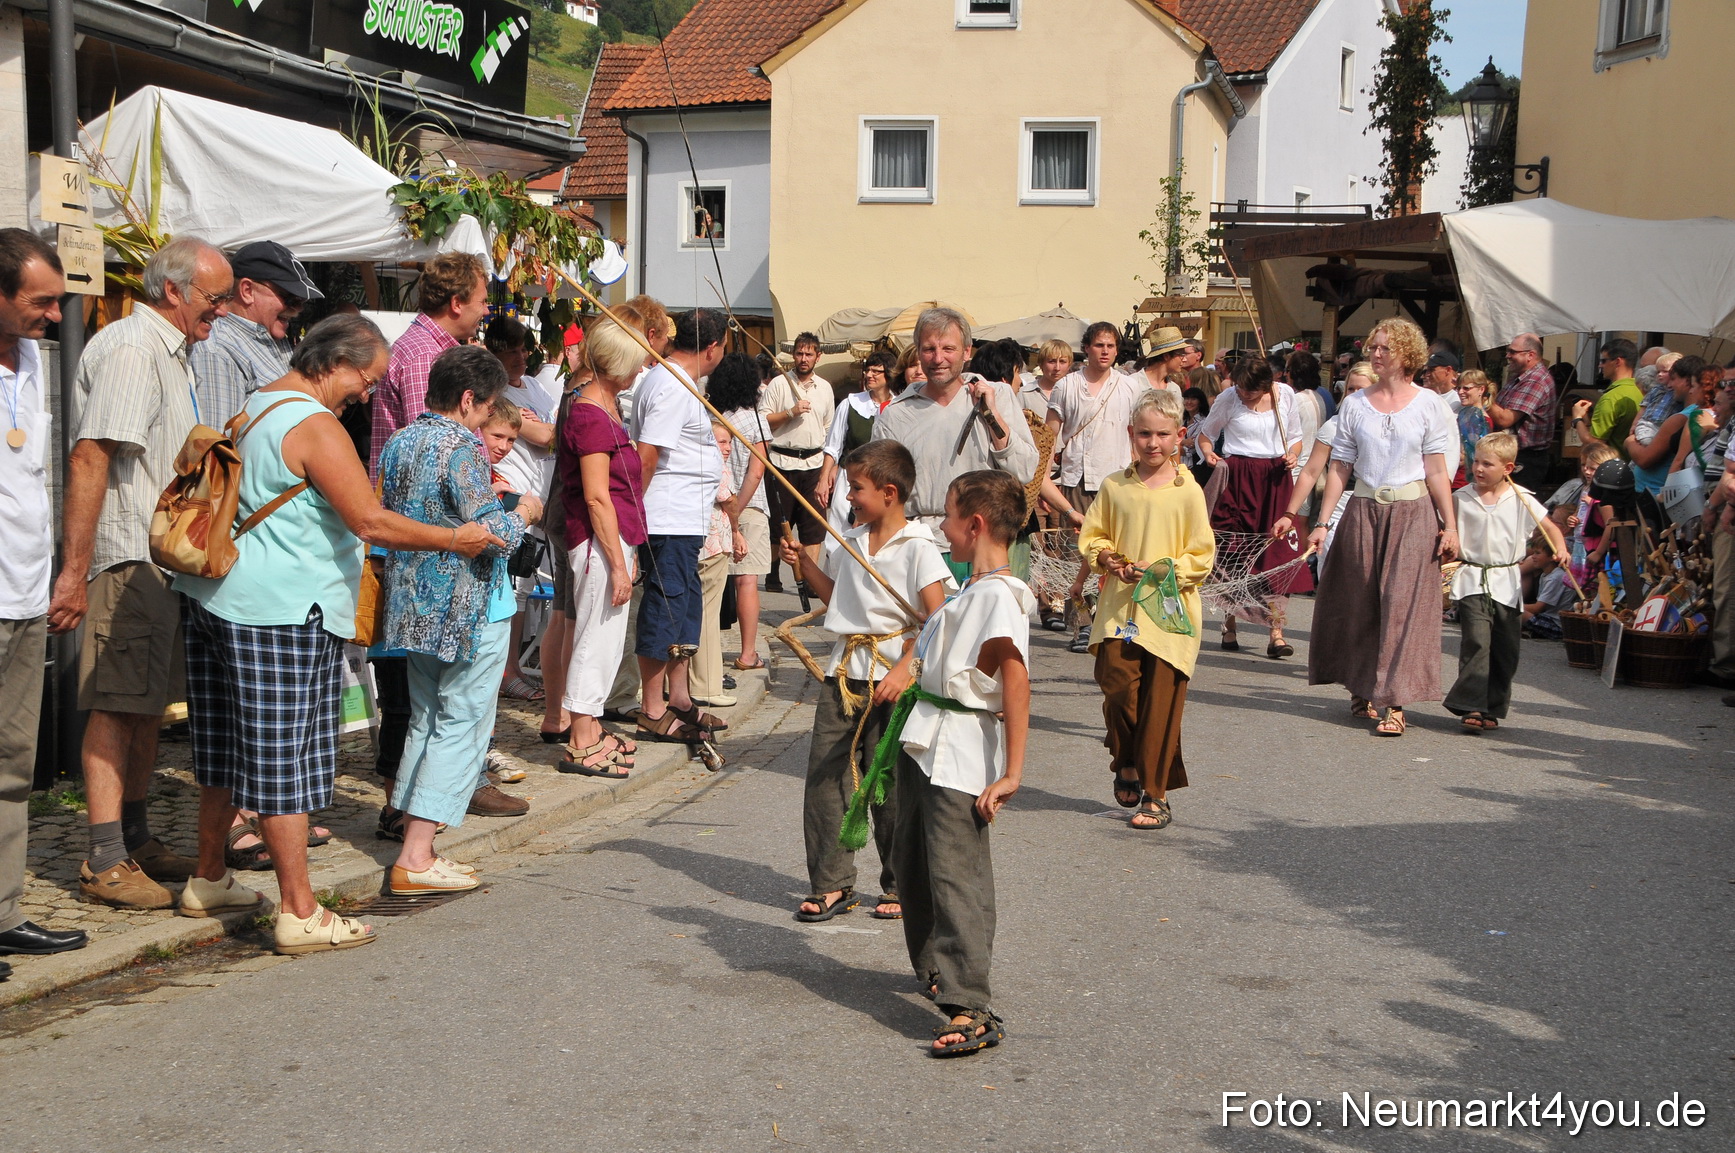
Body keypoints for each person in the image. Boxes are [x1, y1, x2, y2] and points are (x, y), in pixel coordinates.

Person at [180, 316, 500, 947]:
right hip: (279, 611)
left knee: (222, 752)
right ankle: (299, 910)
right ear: (336, 362)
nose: (368, 393)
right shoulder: (314, 424)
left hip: (217, 597)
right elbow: (370, 520)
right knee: (285, 763)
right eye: (367, 378)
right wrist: (454, 537)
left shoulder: (257, 405)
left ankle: (209, 877)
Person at [47, 237, 231, 909]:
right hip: (127, 554)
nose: (221, 311)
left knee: (147, 702)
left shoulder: (166, 351)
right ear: (173, 291)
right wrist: (74, 569)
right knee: (119, 702)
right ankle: (103, 856)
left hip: (156, 560)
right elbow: (91, 457)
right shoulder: (133, 347)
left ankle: (133, 836)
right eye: (214, 298)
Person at [378, 347, 537, 895]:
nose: (486, 417)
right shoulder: (461, 445)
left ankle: (411, 828)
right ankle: (416, 855)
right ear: (469, 400)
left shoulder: (400, 441)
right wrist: (523, 512)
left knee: (426, 718)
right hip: (464, 608)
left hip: (411, 604)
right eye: (487, 405)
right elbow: (494, 535)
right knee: (461, 723)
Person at [886, 470, 1031, 1058]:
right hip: (925, 740)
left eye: (947, 517)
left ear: (975, 525)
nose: (940, 528)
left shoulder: (999, 598)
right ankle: (938, 970)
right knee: (912, 860)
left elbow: (1015, 683)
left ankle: (972, 1003)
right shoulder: (970, 591)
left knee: (954, 874)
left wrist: (1013, 771)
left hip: (960, 752)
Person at [780, 440, 950, 924]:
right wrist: (806, 565)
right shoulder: (848, 540)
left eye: (857, 488)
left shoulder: (919, 547)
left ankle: (898, 881)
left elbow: (936, 619)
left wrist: (907, 666)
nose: (849, 496)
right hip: (845, 672)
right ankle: (831, 883)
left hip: (893, 676)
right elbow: (838, 600)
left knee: (887, 782)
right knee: (825, 777)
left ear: (890, 493)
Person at [1272, 317, 1458, 737]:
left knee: (1400, 605)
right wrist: (1320, 523)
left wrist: (1450, 526)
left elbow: (1436, 470)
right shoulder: (1355, 405)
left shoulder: (1429, 404)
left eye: (1384, 348)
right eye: (1373, 347)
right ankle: (1359, 682)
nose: (1375, 354)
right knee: (1358, 600)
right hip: (1364, 508)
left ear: (1406, 354)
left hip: (1413, 513)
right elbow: (1340, 468)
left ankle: (1394, 701)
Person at [0, 229, 87, 961]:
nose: (54, 316)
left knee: (12, 763)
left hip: (24, 590)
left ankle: (2, 912)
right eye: (40, 301)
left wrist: (63, 570)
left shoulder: (26, 356)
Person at [1078, 389, 1214, 831]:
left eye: (1161, 435)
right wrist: (1105, 558)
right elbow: (1093, 535)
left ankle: (1155, 796)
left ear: (1179, 437)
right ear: (1130, 434)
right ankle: (1127, 758)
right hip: (1120, 608)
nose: (1152, 443)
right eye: (1143, 434)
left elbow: (1201, 555)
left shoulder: (1188, 490)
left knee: (1161, 705)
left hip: (1171, 613)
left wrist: (1164, 569)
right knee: (1114, 681)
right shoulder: (1115, 486)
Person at [870, 308, 1038, 578]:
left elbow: (1024, 470)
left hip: (985, 546)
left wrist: (991, 414)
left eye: (948, 348)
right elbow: (881, 494)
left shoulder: (998, 396)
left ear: (967, 351)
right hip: (922, 547)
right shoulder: (896, 415)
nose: (938, 359)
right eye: (929, 349)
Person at [633, 308, 728, 748]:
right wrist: (632, 515)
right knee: (665, 608)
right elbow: (647, 454)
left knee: (685, 608)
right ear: (712, 347)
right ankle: (652, 710)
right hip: (667, 517)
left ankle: (680, 698)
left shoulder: (681, 382)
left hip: (686, 518)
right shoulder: (670, 383)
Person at [558, 319, 647, 775]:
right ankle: (581, 734)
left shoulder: (605, 406)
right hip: (598, 541)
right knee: (596, 635)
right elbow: (596, 496)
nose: (640, 369)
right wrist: (616, 564)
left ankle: (588, 725)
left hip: (613, 538)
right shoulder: (591, 413)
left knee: (607, 637)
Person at [1443, 432, 1569, 733]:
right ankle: (1472, 704)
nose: (1479, 469)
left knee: (1505, 647)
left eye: (1488, 464)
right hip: (1473, 577)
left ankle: (1493, 705)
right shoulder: (1460, 499)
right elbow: (1446, 532)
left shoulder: (1522, 499)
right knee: (1476, 640)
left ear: (1508, 468)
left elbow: (1549, 527)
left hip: (1507, 582)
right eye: (1476, 462)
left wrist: (1560, 548)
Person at [1192, 359, 1311, 657]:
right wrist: (1209, 454)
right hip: (1238, 477)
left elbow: (1295, 439)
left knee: (1275, 554)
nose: (1243, 394)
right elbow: (1206, 435)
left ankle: (1276, 632)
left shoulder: (1285, 395)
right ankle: (1229, 623)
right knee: (1234, 553)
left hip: (1274, 479)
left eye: (1250, 390)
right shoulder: (1228, 398)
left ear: (1265, 384)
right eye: (1240, 387)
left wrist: (1292, 456)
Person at [1045, 322, 1152, 652]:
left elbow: (1137, 434)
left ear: (1117, 350)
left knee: (1111, 553)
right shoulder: (1068, 386)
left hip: (1116, 479)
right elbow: (1050, 437)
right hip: (1075, 478)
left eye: (1110, 346)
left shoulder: (1129, 387)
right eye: (1098, 345)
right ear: (1087, 348)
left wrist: (1144, 476)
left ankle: (1109, 621)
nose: (1105, 351)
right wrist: (1044, 481)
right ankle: (1080, 623)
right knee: (1075, 552)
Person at [484, 316, 559, 701]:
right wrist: (547, 430)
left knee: (529, 590)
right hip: (516, 498)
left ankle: (518, 666)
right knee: (513, 589)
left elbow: (552, 428)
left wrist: (550, 430)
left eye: (524, 349)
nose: (520, 357)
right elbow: (549, 435)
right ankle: (506, 670)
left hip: (543, 496)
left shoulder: (532, 386)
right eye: (511, 350)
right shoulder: (497, 393)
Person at [368, 252, 488, 474]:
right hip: (427, 506)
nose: (486, 310)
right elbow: (431, 452)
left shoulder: (431, 350)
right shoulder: (425, 355)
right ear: (457, 303)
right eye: (482, 302)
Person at [188, 241, 320, 429]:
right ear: (247, 290)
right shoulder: (218, 351)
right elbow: (218, 442)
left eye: (302, 302)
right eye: (290, 299)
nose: (297, 310)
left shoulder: (271, 337)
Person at [708, 352, 772, 670]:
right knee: (746, 582)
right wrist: (738, 510)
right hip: (747, 505)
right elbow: (756, 471)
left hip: (716, 505)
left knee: (715, 582)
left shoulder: (714, 415)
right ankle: (748, 653)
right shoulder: (753, 418)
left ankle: (707, 654)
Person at [1284, 360, 1374, 566]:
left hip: (1375, 505)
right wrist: (1289, 514)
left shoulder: (1390, 424)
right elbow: (1310, 472)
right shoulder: (1333, 426)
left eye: (1362, 389)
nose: (1355, 394)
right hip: (1339, 504)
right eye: (1351, 388)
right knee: (1333, 563)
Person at [760, 331, 834, 570]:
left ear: (818, 357)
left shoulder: (824, 388)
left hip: (813, 463)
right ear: (793, 355)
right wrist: (790, 413)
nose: (804, 358)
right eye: (800, 353)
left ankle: (811, 577)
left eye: (809, 354)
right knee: (779, 524)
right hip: (782, 462)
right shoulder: (779, 384)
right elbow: (762, 422)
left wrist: (827, 471)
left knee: (813, 526)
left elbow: (828, 428)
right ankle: (773, 573)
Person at [691, 421, 744, 709]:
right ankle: (706, 684)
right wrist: (736, 529)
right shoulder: (710, 459)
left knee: (694, 611)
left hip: (695, 543)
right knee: (707, 615)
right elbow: (728, 499)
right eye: (721, 441)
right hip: (712, 545)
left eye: (729, 442)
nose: (726, 448)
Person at [817, 350, 897, 532]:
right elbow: (833, 446)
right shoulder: (851, 403)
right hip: (849, 479)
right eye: (867, 370)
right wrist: (823, 479)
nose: (869, 375)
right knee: (840, 532)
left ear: (888, 374)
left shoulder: (898, 406)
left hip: (882, 481)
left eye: (876, 371)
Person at [1489, 333, 1558, 486]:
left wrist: (1483, 398)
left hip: (1527, 460)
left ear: (1530, 355)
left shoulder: (1536, 380)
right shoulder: (1519, 377)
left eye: (1513, 352)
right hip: (1512, 454)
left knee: (1517, 507)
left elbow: (1505, 419)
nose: (1508, 356)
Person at [1569, 339, 1642, 461]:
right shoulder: (1641, 391)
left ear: (1618, 361)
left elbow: (1595, 443)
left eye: (1604, 360)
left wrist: (1577, 418)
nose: (1600, 365)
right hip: (1632, 466)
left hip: (1612, 468)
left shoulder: (1611, 398)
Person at [1453, 369, 1495, 487]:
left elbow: (1470, 456)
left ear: (1481, 389)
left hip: (1464, 482)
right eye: (1458, 388)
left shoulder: (1479, 419)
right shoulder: (1465, 413)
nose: (1461, 392)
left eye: (1466, 388)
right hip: (1455, 478)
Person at [1020, 339, 1071, 421]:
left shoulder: (1075, 393)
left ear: (1069, 365)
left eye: (1062, 362)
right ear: (1041, 364)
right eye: (1052, 361)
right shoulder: (1024, 393)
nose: (1057, 368)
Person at [1139, 327, 1188, 398]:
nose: (1185, 359)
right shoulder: (1133, 384)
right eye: (1181, 355)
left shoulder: (1174, 389)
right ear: (1166, 356)